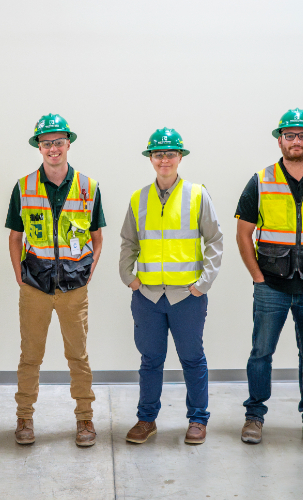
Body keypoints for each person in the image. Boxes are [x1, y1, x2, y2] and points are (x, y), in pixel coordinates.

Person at [6, 114, 105, 446]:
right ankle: (24, 419)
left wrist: (88, 271)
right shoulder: (24, 187)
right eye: (46, 143)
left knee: (78, 356)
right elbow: (15, 236)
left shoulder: (89, 187)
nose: (53, 149)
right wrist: (20, 275)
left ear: (68, 144)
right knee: (30, 356)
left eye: (58, 142)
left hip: (73, 289)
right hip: (34, 285)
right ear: (39, 147)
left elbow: (97, 236)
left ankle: (85, 420)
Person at [119, 128, 223, 445]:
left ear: (180, 158)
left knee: (192, 358)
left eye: (170, 154)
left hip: (187, 297)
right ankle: (146, 419)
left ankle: (197, 420)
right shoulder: (139, 198)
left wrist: (203, 284)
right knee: (151, 361)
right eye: (158, 154)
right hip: (148, 296)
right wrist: (129, 277)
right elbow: (128, 242)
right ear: (151, 159)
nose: (164, 159)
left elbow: (215, 241)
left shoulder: (197, 195)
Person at [236, 108, 303, 444]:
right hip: (271, 285)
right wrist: (257, 277)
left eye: (301, 135)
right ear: (280, 141)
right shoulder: (261, 180)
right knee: (261, 352)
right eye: (290, 135)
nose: (296, 141)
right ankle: (254, 415)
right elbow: (243, 233)